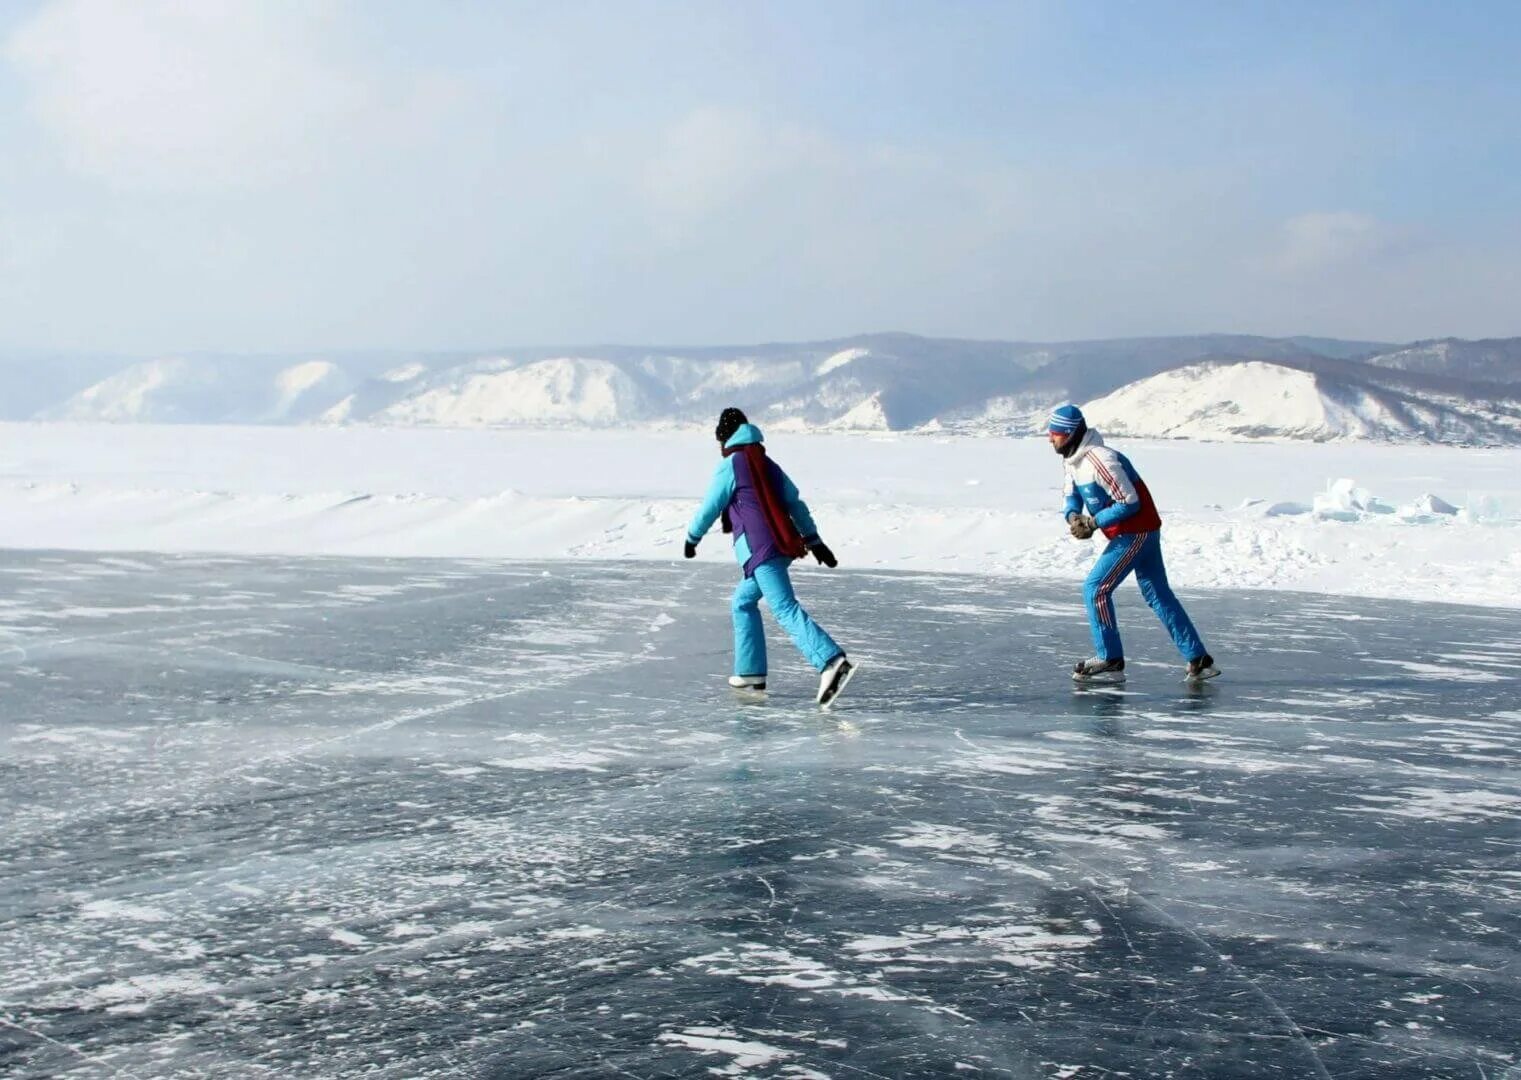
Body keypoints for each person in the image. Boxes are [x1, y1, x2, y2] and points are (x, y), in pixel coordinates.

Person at [684, 407, 855, 705]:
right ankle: (750, 672)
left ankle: (830, 661)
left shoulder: (733, 464)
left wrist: (692, 537)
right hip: (779, 544)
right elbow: (794, 503)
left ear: (725, 438)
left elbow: (711, 505)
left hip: (760, 549)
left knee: (784, 607)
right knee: (742, 602)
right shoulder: (766, 462)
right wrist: (813, 540)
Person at [1048, 403, 1218, 683]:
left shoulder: (1101, 460)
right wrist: (1073, 516)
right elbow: (1071, 494)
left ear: (1069, 434)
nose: (1049, 438)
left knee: (1096, 588)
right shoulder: (1073, 460)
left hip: (1136, 531)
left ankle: (1110, 659)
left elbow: (1129, 501)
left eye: (1055, 433)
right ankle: (1198, 660)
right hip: (1136, 532)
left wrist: (1093, 523)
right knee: (1157, 594)